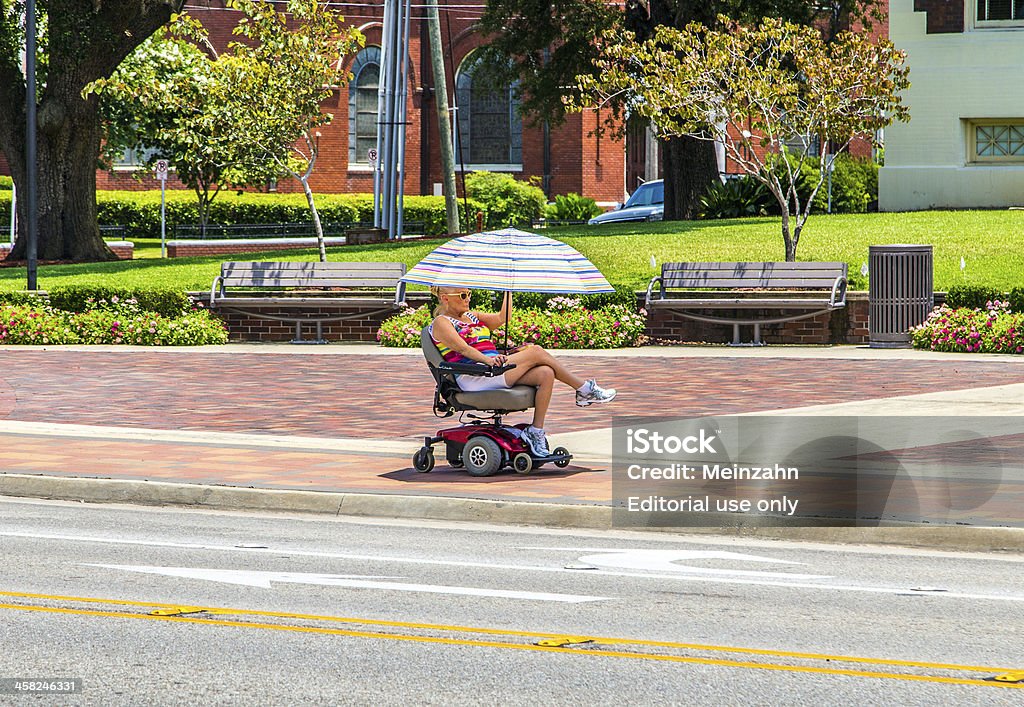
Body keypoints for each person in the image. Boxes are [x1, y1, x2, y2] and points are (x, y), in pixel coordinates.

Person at [428, 285, 616, 457]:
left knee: (545, 373)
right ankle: (584, 389)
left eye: (469, 293)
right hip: (474, 374)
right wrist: (489, 361)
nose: (468, 298)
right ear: (445, 298)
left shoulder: (472, 316)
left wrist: (507, 289)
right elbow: (464, 350)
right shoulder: (441, 323)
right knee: (536, 352)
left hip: (492, 369)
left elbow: (503, 318)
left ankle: (536, 431)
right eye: (463, 295)